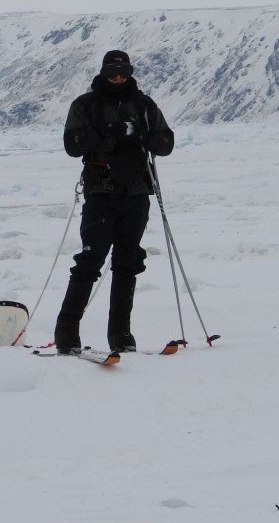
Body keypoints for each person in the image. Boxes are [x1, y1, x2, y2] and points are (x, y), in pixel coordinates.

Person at [55, 50, 174, 353]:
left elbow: (166, 142)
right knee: (90, 261)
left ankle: (121, 335)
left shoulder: (144, 105)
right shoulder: (86, 104)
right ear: (104, 72)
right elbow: (72, 144)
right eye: (112, 71)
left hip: (136, 194)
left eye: (123, 71)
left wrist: (141, 135)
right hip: (101, 193)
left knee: (127, 263)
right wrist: (109, 133)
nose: (118, 77)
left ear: (131, 71)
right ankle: (67, 334)